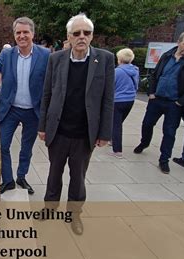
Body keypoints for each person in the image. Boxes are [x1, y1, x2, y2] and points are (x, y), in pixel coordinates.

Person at [38, 13, 115, 235]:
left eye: (87, 33)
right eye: (77, 33)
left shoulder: (105, 59)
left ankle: (74, 215)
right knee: (54, 173)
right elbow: (47, 94)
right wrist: (42, 126)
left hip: (85, 133)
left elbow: (108, 99)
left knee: (77, 177)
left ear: (91, 36)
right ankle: (49, 207)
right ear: (69, 37)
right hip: (58, 130)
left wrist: (105, 133)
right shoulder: (56, 59)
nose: (82, 37)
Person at [0, 17, 50, 195]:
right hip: (10, 109)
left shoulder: (45, 55)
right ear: (14, 35)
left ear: (32, 34)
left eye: (25, 32)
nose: (22, 36)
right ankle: (8, 180)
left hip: (33, 111)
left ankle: (21, 176)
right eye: (18, 33)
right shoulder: (7, 54)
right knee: (2, 146)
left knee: (26, 149)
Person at [134, 30, 184, 174]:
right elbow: (155, 74)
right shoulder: (167, 55)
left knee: (169, 132)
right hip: (157, 99)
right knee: (147, 124)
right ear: (179, 42)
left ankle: (164, 160)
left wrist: (181, 101)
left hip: (174, 103)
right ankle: (144, 142)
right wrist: (151, 92)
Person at [109, 48, 139, 158]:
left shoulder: (117, 72)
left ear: (119, 59)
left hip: (117, 100)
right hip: (130, 100)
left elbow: (110, 87)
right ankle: (113, 139)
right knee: (118, 122)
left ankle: (117, 150)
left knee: (116, 124)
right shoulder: (135, 70)